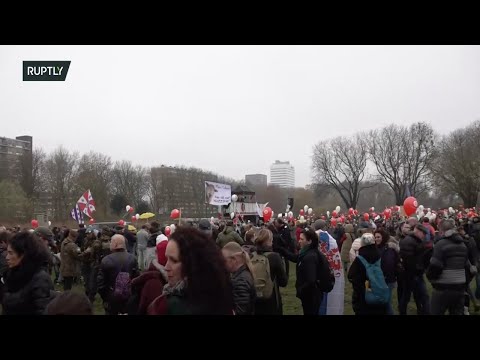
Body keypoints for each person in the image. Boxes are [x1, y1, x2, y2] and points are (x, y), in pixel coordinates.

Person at [147, 227, 234, 315]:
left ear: (193, 263)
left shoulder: (174, 306)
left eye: (174, 261)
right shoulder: (222, 294)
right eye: (167, 259)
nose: (166, 267)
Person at [2, 231, 54, 315]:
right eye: (7, 252)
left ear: (23, 255)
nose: (7, 257)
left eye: (11, 253)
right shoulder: (11, 274)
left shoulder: (40, 280)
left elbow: (43, 310)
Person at [426, 219, 470, 315]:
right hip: (460, 288)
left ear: (441, 230)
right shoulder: (463, 245)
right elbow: (467, 267)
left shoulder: (440, 244)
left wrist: (430, 277)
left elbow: (435, 266)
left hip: (443, 288)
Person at [348, 233, 389, 315]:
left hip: (363, 296)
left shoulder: (359, 259)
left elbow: (351, 276)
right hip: (380, 292)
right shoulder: (380, 255)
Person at [97, 234, 139, 315]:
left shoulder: (106, 260)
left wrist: (105, 298)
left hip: (112, 298)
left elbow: (101, 283)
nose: (109, 244)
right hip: (129, 298)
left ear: (115, 244)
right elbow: (137, 279)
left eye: (111, 242)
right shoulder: (132, 258)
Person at [398, 224, 431, 315]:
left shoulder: (413, 240)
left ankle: (404, 311)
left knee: (408, 296)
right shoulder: (410, 241)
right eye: (423, 233)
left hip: (411, 274)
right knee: (422, 296)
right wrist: (418, 270)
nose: (424, 236)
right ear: (418, 232)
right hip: (412, 274)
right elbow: (409, 260)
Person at [222, 242, 256, 315]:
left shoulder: (241, 281)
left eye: (223, 260)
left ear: (234, 260)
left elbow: (240, 312)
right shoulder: (243, 274)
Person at [374, 229, 399, 315]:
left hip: (387, 279)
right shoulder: (378, 248)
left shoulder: (388, 249)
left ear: (383, 237)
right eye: (375, 237)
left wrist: (383, 277)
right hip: (380, 279)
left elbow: (389, 265)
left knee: (386, 303)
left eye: (378, 237)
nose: (376, 239)